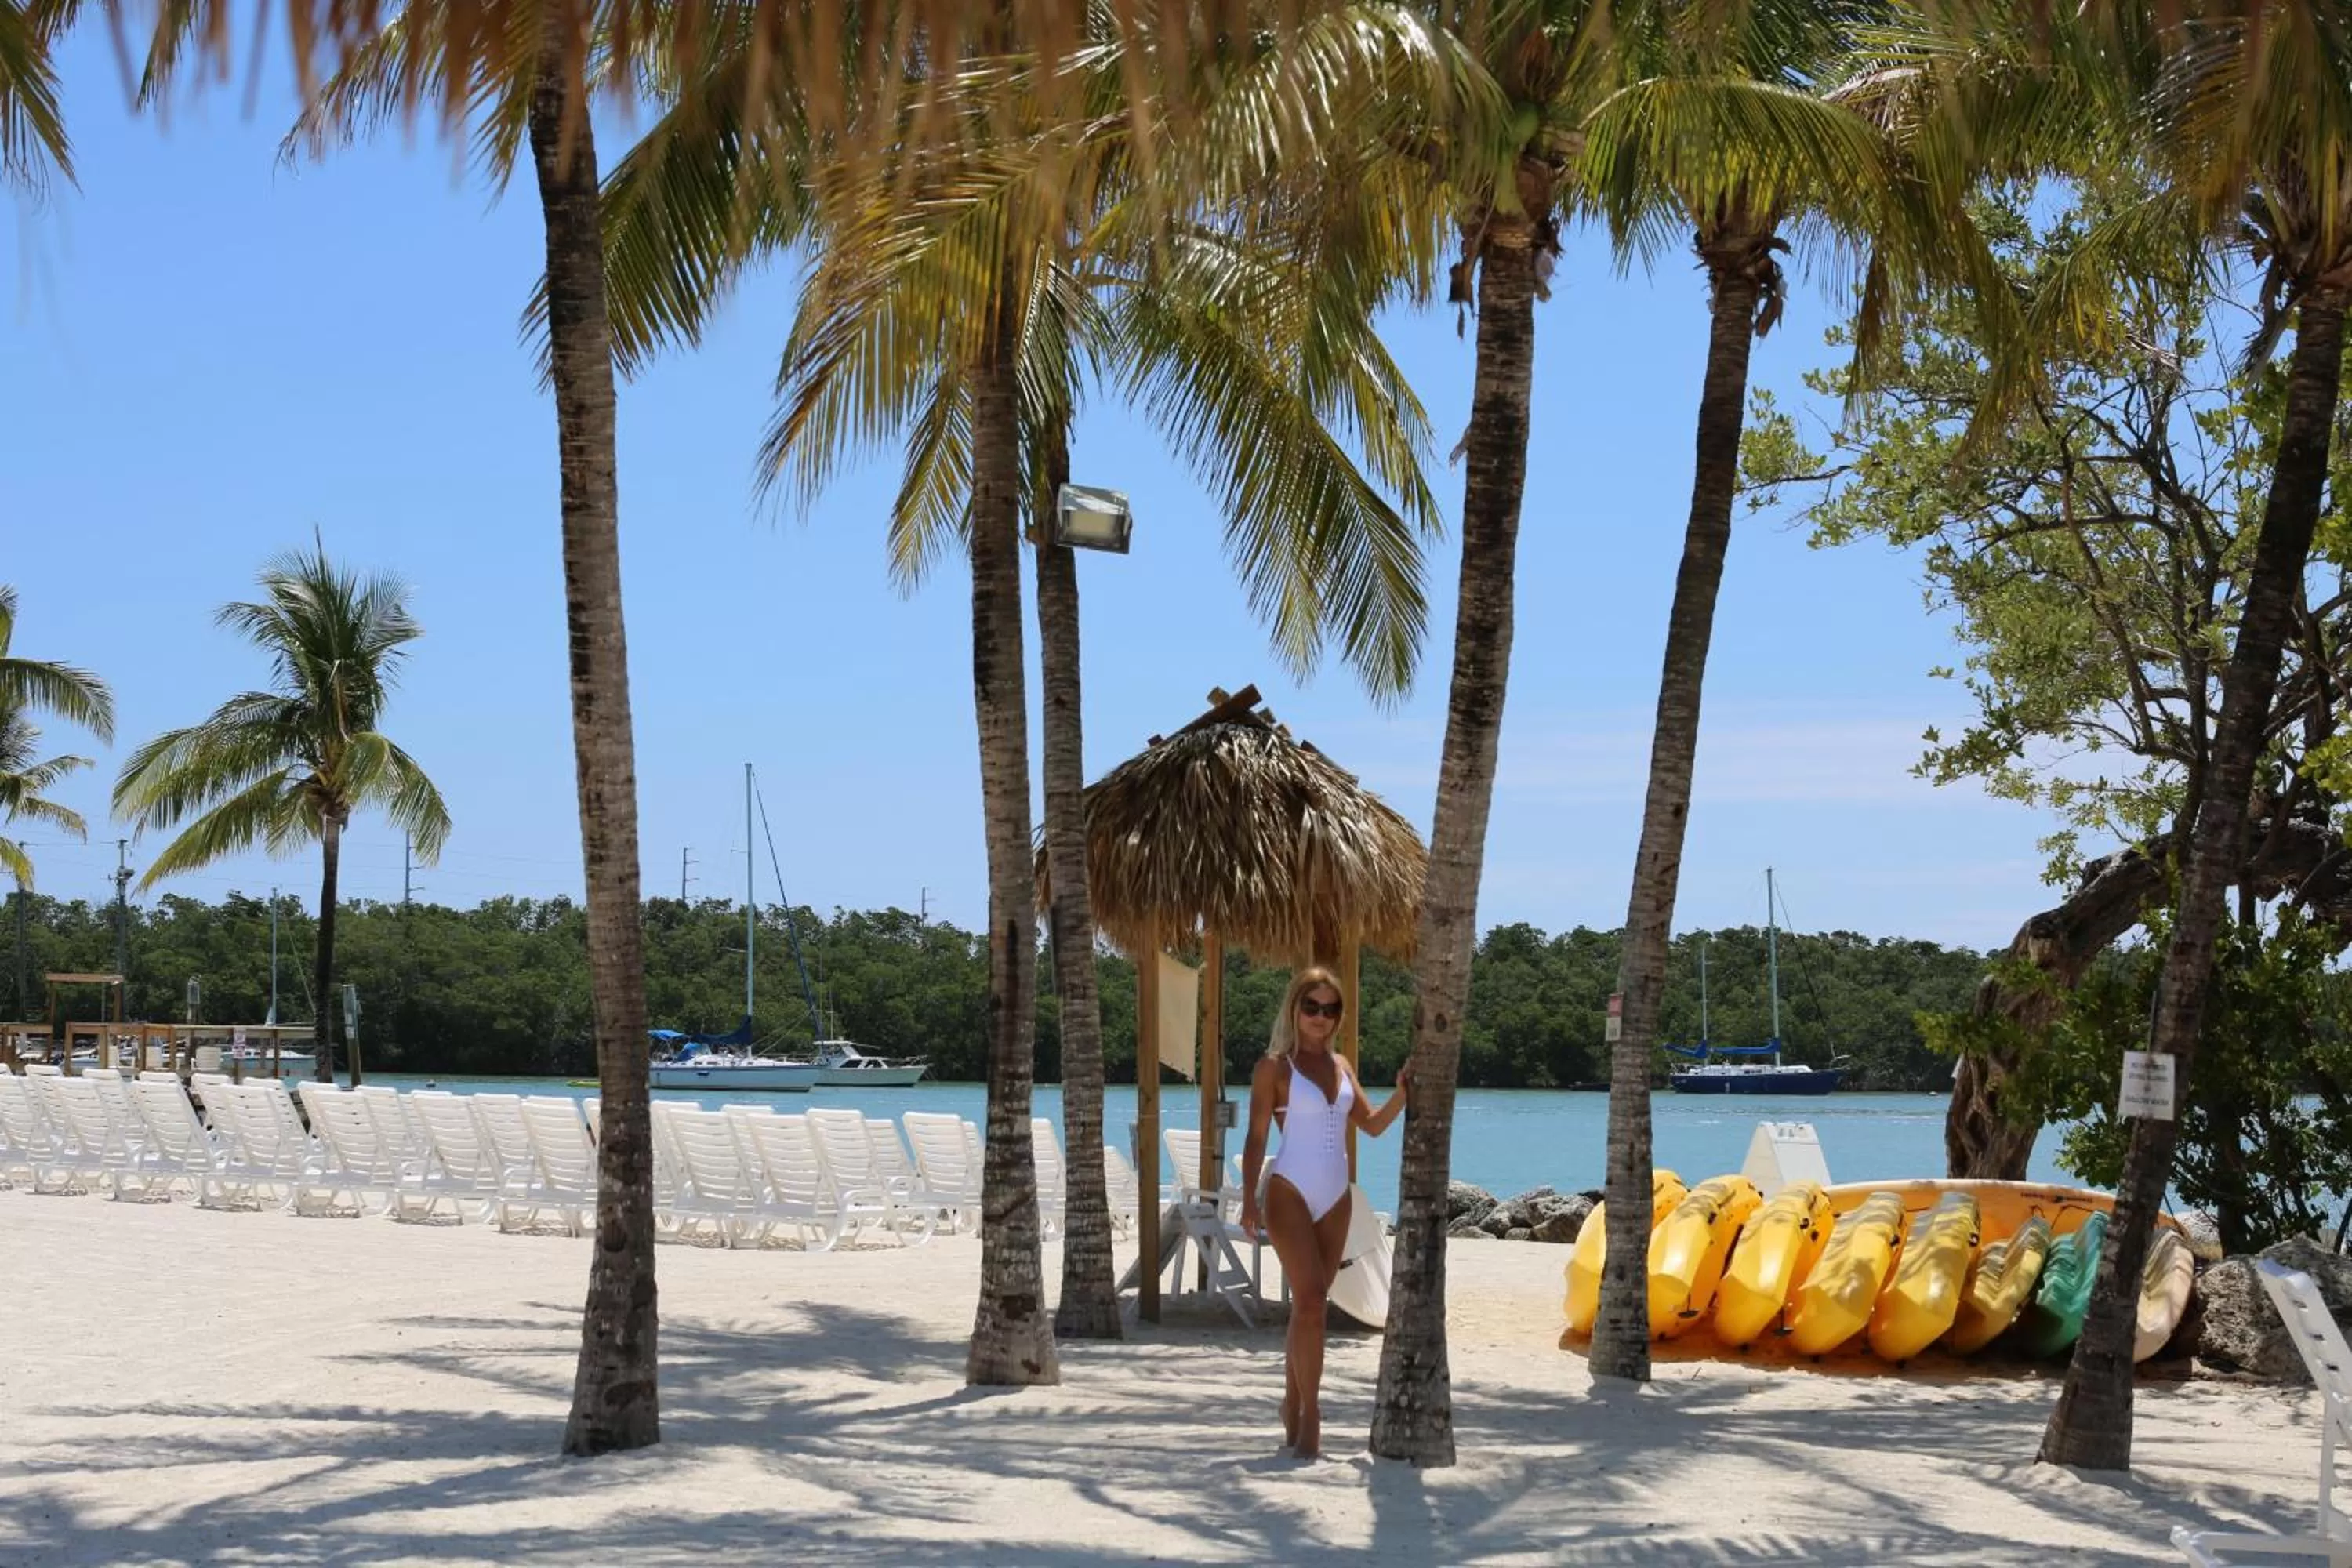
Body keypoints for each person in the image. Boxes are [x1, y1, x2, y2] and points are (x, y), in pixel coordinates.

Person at [1239, 966, 1410, 1459]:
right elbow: (1255, 1139)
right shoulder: (1274, 1067)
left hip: (1337, 1196)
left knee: (1309, 1307)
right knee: (1312, 1301)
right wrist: (1249, 1199)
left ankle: (1291, 1400)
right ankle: (1311, 1415)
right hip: (1288, 1190)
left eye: (1330, 1009)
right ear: (1295, 1008)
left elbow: (1372, 1126)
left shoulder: (1342, 1066)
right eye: (1311, 1006)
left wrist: (1402, 1091)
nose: (1320, 1017)